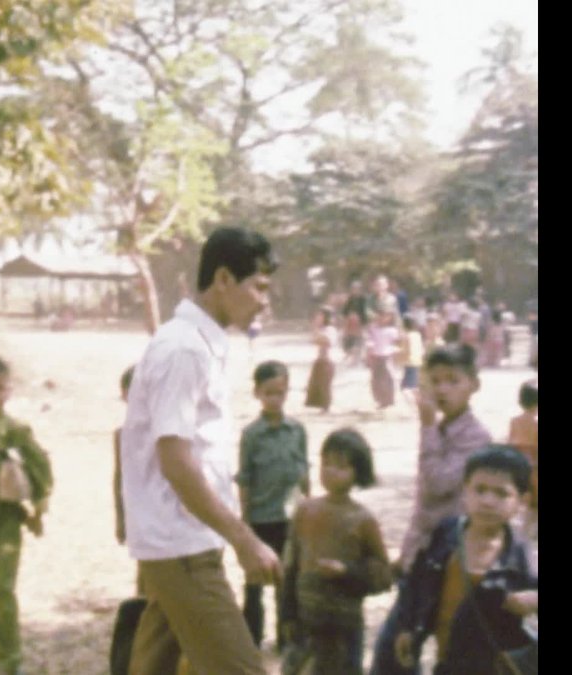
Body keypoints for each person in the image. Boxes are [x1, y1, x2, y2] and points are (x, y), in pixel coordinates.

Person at [121, 226, 281, 675]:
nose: (265, 300)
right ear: (224, 279)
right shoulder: (183, 349)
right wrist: (244, 538)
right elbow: (175, 460)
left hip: (181, 543)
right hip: (182, 546)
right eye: (259, 287)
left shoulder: (198, 344)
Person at [369, 343, 493, 674]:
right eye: (435, 381)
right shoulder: (440, 430)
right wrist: (407, 554)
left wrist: (425, 427)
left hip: (447, 561)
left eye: (453, 380)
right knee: (397, 651)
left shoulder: (475, 438)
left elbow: (438, 484)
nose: (442, 389)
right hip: (424, 556)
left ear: (473, 385)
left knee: (404, 649)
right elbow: (423, 507)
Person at [390, 446, 538, 675]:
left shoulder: (522, 558)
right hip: (447, 665)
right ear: (465, 491)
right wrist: (408, 627)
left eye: (501, 494)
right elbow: (416, 582)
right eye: (480, 490)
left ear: (522, 500)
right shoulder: (446, 535)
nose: (488, 501)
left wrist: (534, 600)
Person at [0, 357, 54, 674]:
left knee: (0, 584)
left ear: (9, 390)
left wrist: (39, 507)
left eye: (0, 388)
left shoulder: (14, 430)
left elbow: (40, 465)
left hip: (6, 514)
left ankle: (10, 656)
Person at [283, 429, 391, 674]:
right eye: (326, 463)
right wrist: (286, 613)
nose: (330, 471)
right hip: (305, 619)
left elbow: (383, 575)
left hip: (344, 625)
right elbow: (290, 565)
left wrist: (346, 572)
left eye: (341, 466)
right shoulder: (304, 511)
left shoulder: (363, 519)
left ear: (358, 473)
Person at [236, 360, 310, 651]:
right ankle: (251, 638)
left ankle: (286, 637)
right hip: (260, 518)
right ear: (257, 393)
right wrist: (245, 523)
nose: (274, 399)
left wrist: (308, 509)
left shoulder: (297, 431)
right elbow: (245, 479)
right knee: (255, 583)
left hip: (290, 519)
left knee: (287, 581)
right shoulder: (251, 435)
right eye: (268, 393)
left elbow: (304, 473)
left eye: (280, 392)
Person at [113, 365, 143, 595]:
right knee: (145, 567)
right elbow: (119, 477)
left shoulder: (167, 432)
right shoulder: (122, 434)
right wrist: (121, 519)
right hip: (138, 509)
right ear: (123, 395)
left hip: (166, 512)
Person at [508, 380, 538, 539]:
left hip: (519, 465)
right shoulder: (536, 422)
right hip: (535, 468)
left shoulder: (515, 421)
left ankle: (522, 533)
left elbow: (511, 444)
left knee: (523, 503)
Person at [305, 308, 339, 413]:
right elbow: (313, 340)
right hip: (320, 358)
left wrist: (318, 337)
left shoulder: (330, 329)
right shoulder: (321, 329)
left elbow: (327, 341)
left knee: (325, 385)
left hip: (328, 359)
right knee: (317, 383)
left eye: (320, 315)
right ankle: (321, 406)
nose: (317, 318)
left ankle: (326, 406)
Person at [366, 312, 399, 409]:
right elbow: (369, 340)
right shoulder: (373, 328)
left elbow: (396, 343)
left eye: (385, 316)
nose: (382, 318)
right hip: (376, 355)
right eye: (380, 315)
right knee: (376, 379)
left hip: (387, 355)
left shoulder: (392, 330)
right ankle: (379, 399)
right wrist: (369, 353)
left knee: (387, 379)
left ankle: (388, 400)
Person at [398, 317, 424, 409]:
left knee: (406, 389)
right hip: (419, 362)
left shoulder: (407, 336)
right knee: (414, 387)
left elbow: (407, 351)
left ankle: (414, 406)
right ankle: (419, 404)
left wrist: (400, 360)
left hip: (410, 363)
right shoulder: (417, 335)